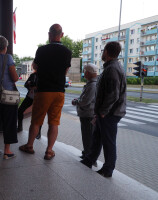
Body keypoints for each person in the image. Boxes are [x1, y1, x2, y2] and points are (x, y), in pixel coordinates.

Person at [19, 24, 72, 160]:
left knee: (36, 121)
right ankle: (49, 151)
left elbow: (35, 66)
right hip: (59, 91)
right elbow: (66, 71)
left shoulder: (42, 50)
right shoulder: (67, 51)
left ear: (49, 34)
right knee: (54, 122)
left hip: (43, 90)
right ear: (62, 34)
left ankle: (30, 146)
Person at [80, 41, 126, 178]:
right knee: (97, 138)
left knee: (108, 141)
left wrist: (103, 112)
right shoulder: (112, 67)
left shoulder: (112, 69)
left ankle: (108, 169)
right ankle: (89, 160)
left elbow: (113, 94)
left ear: (106, 52)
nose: (102, 53)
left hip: (110, 113)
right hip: (106, 113)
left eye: (103, 51)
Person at [72, 63, 97, 160]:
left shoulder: (92, 85)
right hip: (86, 114)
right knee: (87, 136)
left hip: (88, 114)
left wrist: (76, 101)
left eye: (84, 72)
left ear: (88, 72)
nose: (84, 74)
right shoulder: (91, 83)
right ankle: (86, 153)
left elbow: (86, 101)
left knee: (88, 136)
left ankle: (88, 157)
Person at [17, 62, 42, 139]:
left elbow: (39, 85)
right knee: (20, 110)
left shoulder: (42, 75)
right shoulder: (32, 75)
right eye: (33, 64)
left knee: (38, 114)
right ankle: (20, 127)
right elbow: (26, 84)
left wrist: (32, 84)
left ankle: (38, 133)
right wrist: (31, 85)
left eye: (34, 64)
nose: (33, 66)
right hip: (30, 96)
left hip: (39, 97)